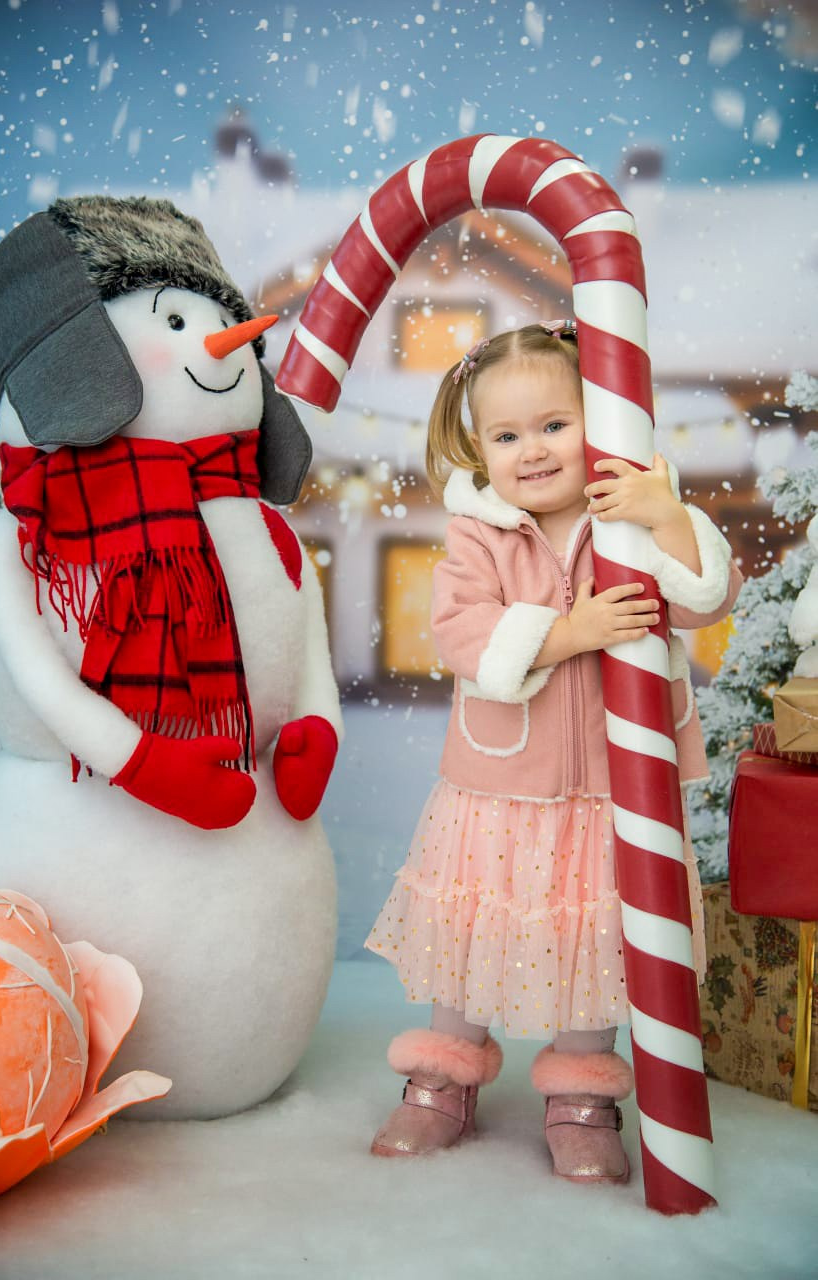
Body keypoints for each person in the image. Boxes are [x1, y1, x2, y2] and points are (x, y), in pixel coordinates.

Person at [365, 322, 742, 1182]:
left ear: (596, 422)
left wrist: (667, 516)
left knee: (596, 936)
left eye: (552, 426)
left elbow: (705, 600)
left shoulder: (634, 509)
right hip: (501, 788)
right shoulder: (480, 533)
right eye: (505, 436)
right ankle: (442, 1078)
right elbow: (460, 632)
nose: (530, 452)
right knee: (474, 925)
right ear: (477, 448)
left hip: (619, 786)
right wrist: (568, 633)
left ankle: (581, 1095)